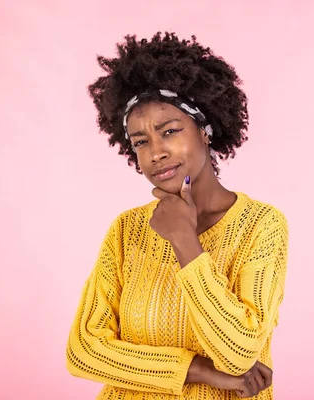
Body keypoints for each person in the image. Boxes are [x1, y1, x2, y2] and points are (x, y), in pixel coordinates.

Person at [65, 32, 289, 399]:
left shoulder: (262, 225)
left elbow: (239, 354)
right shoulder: (127, 229)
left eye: (169, 131)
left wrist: (185, 241)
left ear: (205, 131)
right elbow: (85, 350)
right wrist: (197, 370)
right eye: (140, 142)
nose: (155, 152)